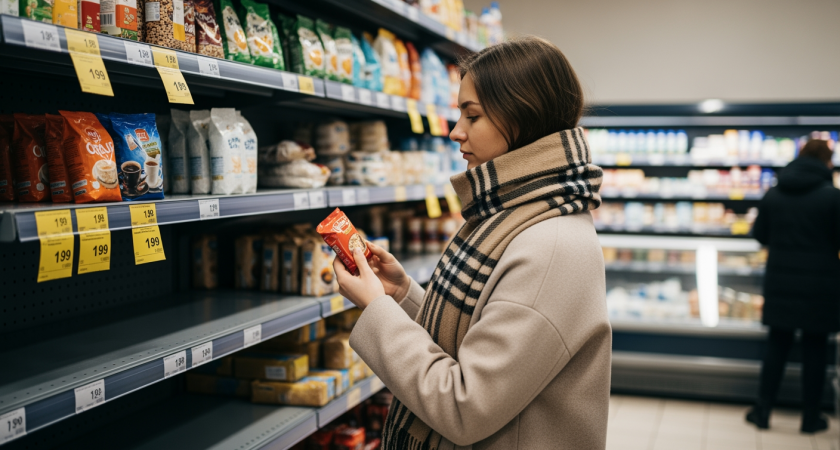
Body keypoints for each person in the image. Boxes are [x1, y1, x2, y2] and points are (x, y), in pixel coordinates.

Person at [333, 36, 611, 450]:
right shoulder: (517, 212)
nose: (455, 132)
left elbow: (465, 406)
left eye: (472, 115)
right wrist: (401, 294)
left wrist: (376, 310)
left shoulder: (549, 247)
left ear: (523, 116)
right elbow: (479, 337)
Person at [746, 139, 840, 433]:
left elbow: (759, 234)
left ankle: (762, 411)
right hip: (819, 286)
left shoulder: (775, 193)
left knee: (777, 345)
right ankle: (810, 418)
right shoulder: (833, 197)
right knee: (815, 349)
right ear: (827, 163)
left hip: (780, 281)